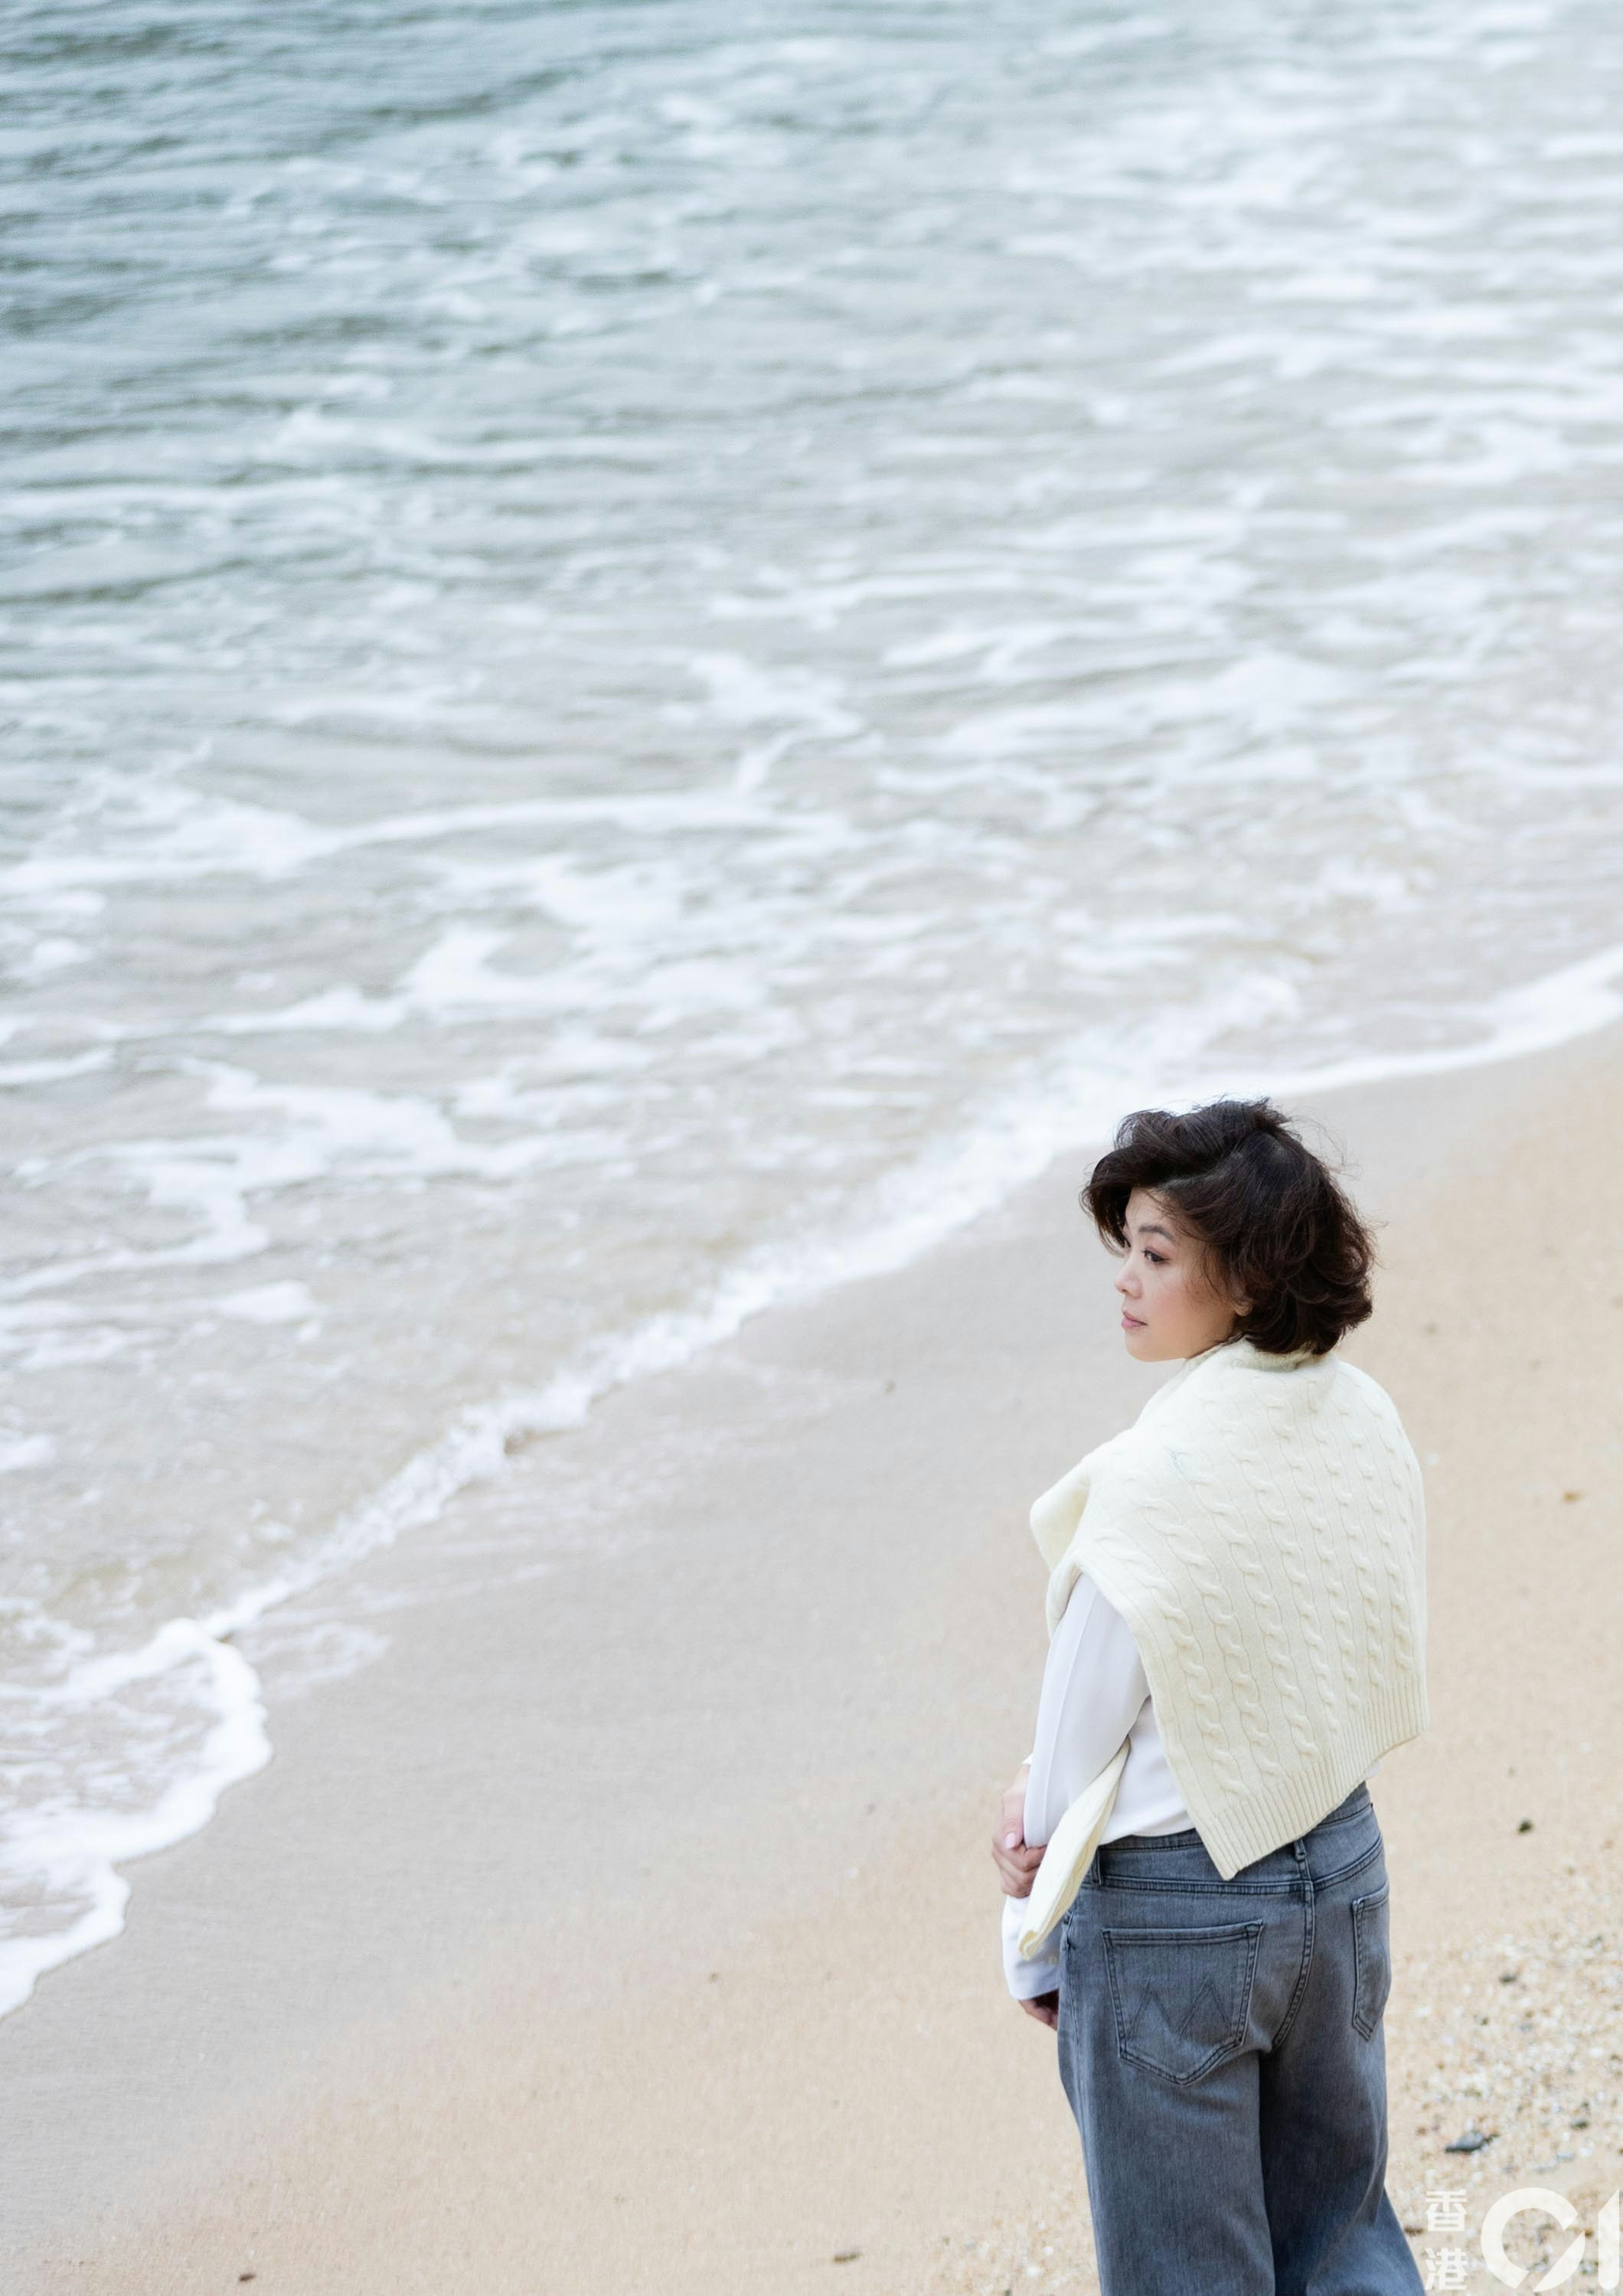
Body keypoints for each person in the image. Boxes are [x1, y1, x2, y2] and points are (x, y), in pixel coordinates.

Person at [991, 1098, 1428, 2296]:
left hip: (1176, 1913)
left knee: (1188, 2271)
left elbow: (1081, 1730)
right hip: (1341, 1869)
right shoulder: (1363, 1417)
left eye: (1157, 1253)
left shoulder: (1150, 1480)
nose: (1125, 1280)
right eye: (1126, 1247)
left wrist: (1030, 1925)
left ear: (1244, 1278)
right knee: (1344, 2247)